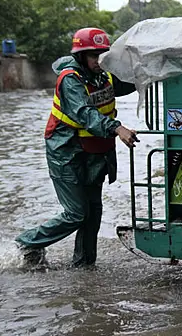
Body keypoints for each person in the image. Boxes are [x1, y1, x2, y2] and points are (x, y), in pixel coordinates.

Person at [15, 27, 139, 268]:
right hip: (67, 152)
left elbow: (131, 82)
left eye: (103, 55)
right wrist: (117, 128)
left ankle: (84, 267)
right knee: (76, 213)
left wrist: (154, 71)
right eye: (94, 56)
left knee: (92, 214)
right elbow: (85, 114)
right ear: (81, 56)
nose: (99, 60)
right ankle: (28, 243)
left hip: (95, 152)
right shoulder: (70, 79)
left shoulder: (105, 75)